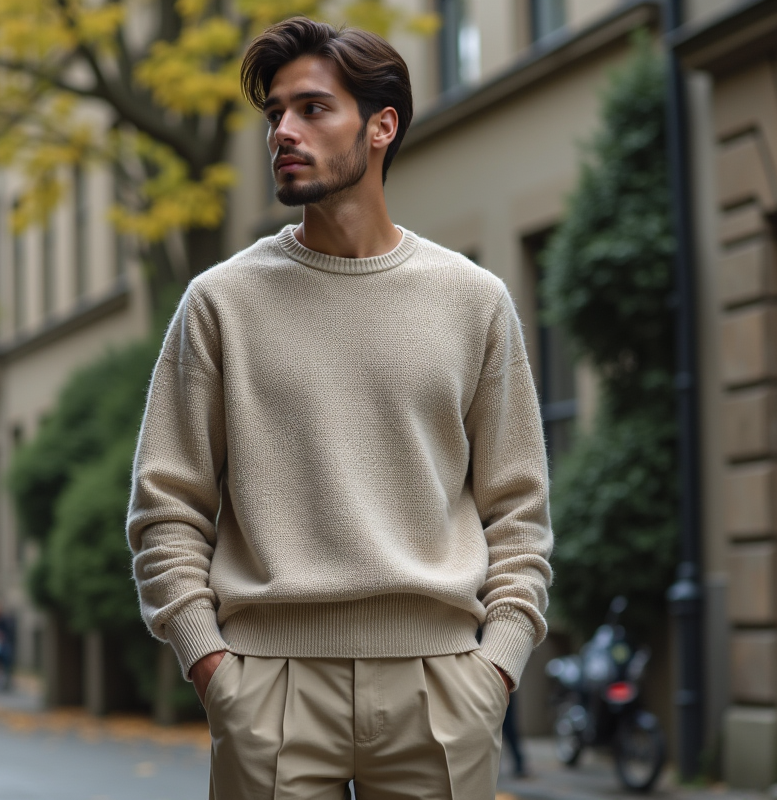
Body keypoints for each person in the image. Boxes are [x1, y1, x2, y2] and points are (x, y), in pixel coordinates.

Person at [127, 17, 553, 799]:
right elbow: (166, 507)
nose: (284, 131)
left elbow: (517, 510)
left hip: (444, 687)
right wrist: (212, 665)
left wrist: (497, 665)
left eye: (313, 109)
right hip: (268, 690)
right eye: (275, 115)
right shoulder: (219, 303)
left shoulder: (474, 301)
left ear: (381, 126)